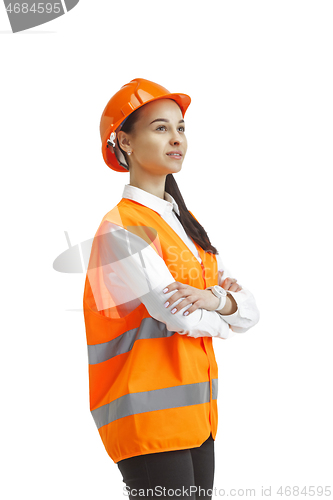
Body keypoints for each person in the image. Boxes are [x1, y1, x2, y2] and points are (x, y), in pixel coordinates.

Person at [83, 78, 260, 500]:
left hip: (198, 417)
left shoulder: (186, 226)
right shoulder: (121, 228)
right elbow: (175, 313)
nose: (177, 138)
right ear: (124, 141)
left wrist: (218, 300)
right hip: (145, 418)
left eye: (181, 127)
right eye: (160, 128)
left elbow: (250, 311)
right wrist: (225, 318)